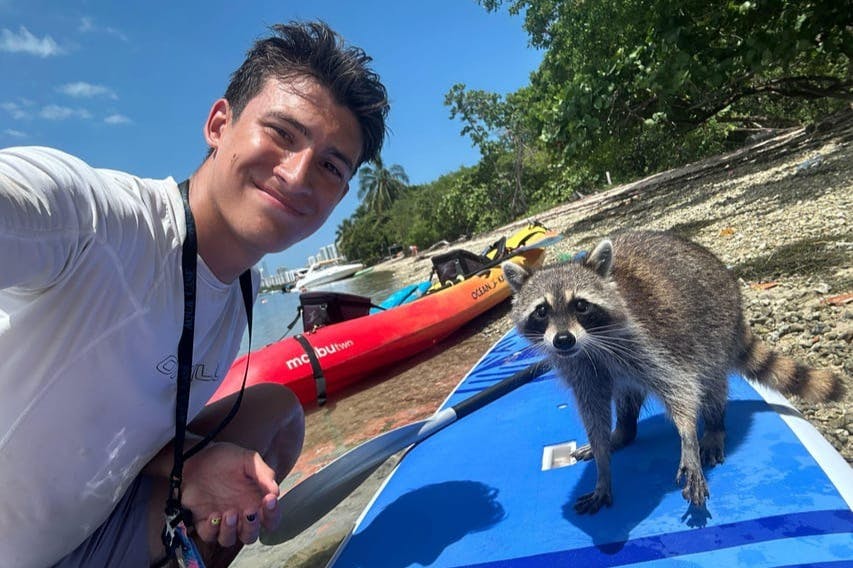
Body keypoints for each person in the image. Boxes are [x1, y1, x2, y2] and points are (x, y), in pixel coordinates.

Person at [0, 21, 388, 567]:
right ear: (218, 124)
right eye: (281, 132)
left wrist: (186, 466)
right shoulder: (101, 221)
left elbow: (120, 425)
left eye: (329, 165)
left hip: (84, 539)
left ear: (341, 194)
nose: (298, 175)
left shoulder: (243, 291)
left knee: (276, 414)